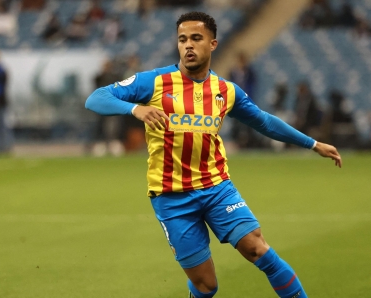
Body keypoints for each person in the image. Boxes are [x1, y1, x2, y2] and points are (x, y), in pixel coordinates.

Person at [85, 11, 342, 298]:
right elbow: (96, 98)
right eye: (182, 39)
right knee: (207, 285)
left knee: (258, 248)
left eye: (196, 38)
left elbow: (264, 121)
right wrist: (135, 108)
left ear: (213, 44)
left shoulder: (225, 90)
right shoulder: (154, 82)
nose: (188, 46)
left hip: (217, 188)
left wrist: (312, 143)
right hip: (172, 197)